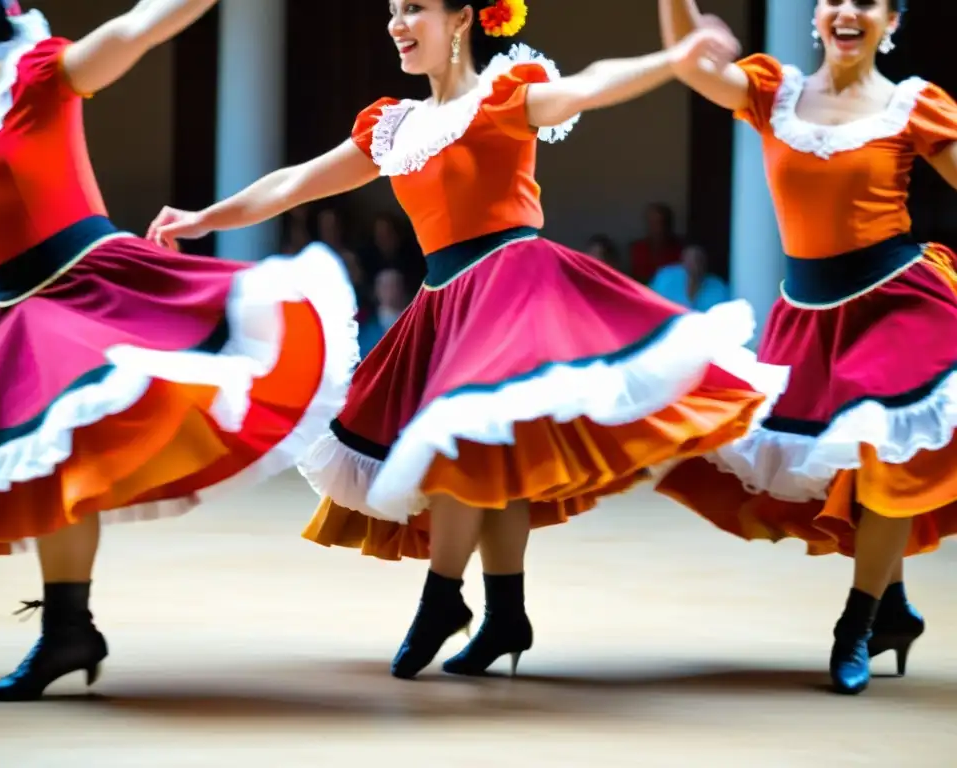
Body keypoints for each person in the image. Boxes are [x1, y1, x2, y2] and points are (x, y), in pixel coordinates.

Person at [149, 0, 786, 680]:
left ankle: (442, 599)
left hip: (513, 287)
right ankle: (506, 615)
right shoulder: (393, 126)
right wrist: (205, 217)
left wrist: (672, 60)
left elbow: (590, 84)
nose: (397, 22)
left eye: (415, 8)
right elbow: (296, 182)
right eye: (391, 10)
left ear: (460, 20)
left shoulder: (507, 94)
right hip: (445, 303)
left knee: (463, 436)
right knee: (491, 454)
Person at [0, 0, 356, 701]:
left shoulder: (38, 76)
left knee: (71, 444)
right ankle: (68, 628)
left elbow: (141, 25)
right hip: (12, 312)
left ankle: (67, 627)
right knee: (47, 463)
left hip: (93, 287)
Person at [654, 0, 957, 695]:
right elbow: (687, 59)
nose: (847, 10)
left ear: (893, 21)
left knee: (885, 453)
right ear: (818, 17)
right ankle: (895, 609)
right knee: (847, 467)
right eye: (833, 0)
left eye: (867, 1)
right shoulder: (773, 91)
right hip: (810, 317)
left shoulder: (914, 106)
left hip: (897, 304)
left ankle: (856, 622)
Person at [649, 244, 729, 311]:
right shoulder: (665, 278)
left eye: (699, 259)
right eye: (690, 258)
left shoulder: (718, 288)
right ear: (683, 258)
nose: (694, 264)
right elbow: (650, 306)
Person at [628, 202, 683, 283]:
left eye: (661, 222)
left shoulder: (681, 250)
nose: (658, 228)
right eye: (652, 223)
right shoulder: (637, 248)